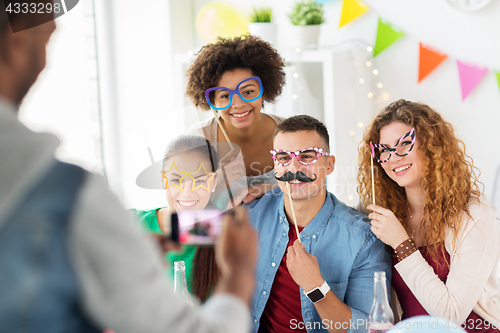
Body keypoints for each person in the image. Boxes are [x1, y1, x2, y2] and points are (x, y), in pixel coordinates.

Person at [0, 4, 257, 333]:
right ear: (15, 42)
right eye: (45, 33)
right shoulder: (75, 201)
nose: (54, 30)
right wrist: (239, 273)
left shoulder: (208, 225)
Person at [357, 99, 500, 331]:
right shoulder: (382, 211)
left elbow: (451, 315)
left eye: (405, 143)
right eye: (383, 150)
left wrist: (402, 244)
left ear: (432, 146)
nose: (394, 157)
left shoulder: (474, 215)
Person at [245, 115, 392, 333]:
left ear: (329, 164)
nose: (294, 168)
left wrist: (316, 287)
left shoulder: (363, 239)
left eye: (306, 156)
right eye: (283, 157)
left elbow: (369, 328)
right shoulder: (250, 216)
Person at [185, 34, 286, 196]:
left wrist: (273, 191)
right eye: (225, 96)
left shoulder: (289, 132)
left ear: (264, 91)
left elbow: (313, 191)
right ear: (212, 101)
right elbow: (186, 207)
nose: (238, 104)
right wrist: (219, 187)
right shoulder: (198, 140)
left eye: (248, 91)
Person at [133, 134, 221, 302]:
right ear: (162, 179)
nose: (187, 192)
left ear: (214, 181)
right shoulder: (133, 224)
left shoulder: (225, 236)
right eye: (176, 180)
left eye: (200, 181)